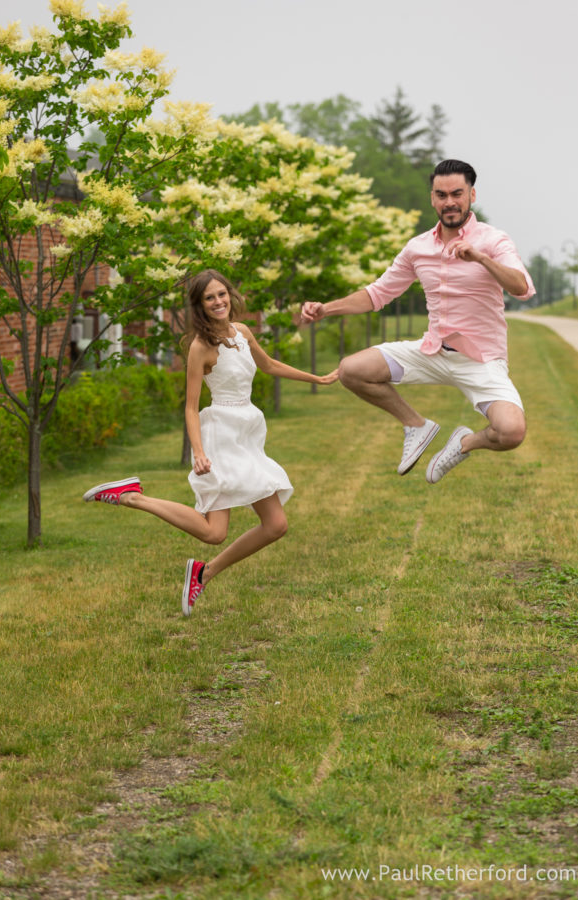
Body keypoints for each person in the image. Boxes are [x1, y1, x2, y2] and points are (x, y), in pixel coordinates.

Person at [83, 269, 338, 615]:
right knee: (213, 532)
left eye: (222, 294)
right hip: (221, 434)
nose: (218, 302)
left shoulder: (242, 332)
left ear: (230, 296)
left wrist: (317, 378)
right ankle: (131, 496)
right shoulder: (200, 347)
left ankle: (203, 573)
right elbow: (190, 407)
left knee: (275, 525)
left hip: (247, 433)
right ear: (199, 306)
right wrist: (199, 453)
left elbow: (270, 365)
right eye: (209, 298)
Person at [301, 159, 535, 483]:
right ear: (432, 198)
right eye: (441, 194)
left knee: (511, 432)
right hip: (433, 352)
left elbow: (522, 287)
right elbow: (377, 294)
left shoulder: (493, 241)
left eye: (457, 193)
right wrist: (326, 309)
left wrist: (480, 258)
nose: (449, 202)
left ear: (472, 195)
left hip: (481, 360)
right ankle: (415, 424)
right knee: (351, 370)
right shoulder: (418, 247)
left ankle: (463, 443)